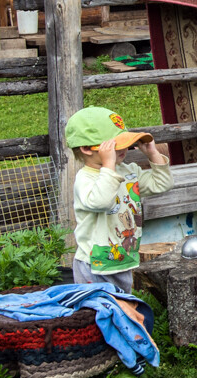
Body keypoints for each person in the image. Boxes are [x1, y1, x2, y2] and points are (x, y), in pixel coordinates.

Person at [65, 106, 173, 293]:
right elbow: (102, 201)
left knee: (122, 307)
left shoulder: (128, 171)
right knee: (97, 312)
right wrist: (108, 166)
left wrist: (153, 155)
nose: (124, 148)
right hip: (94, 264)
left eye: (126, 142)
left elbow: (161, 184)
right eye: (115, 145)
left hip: (123, 259)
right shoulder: (85, 178)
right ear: (87, 149)